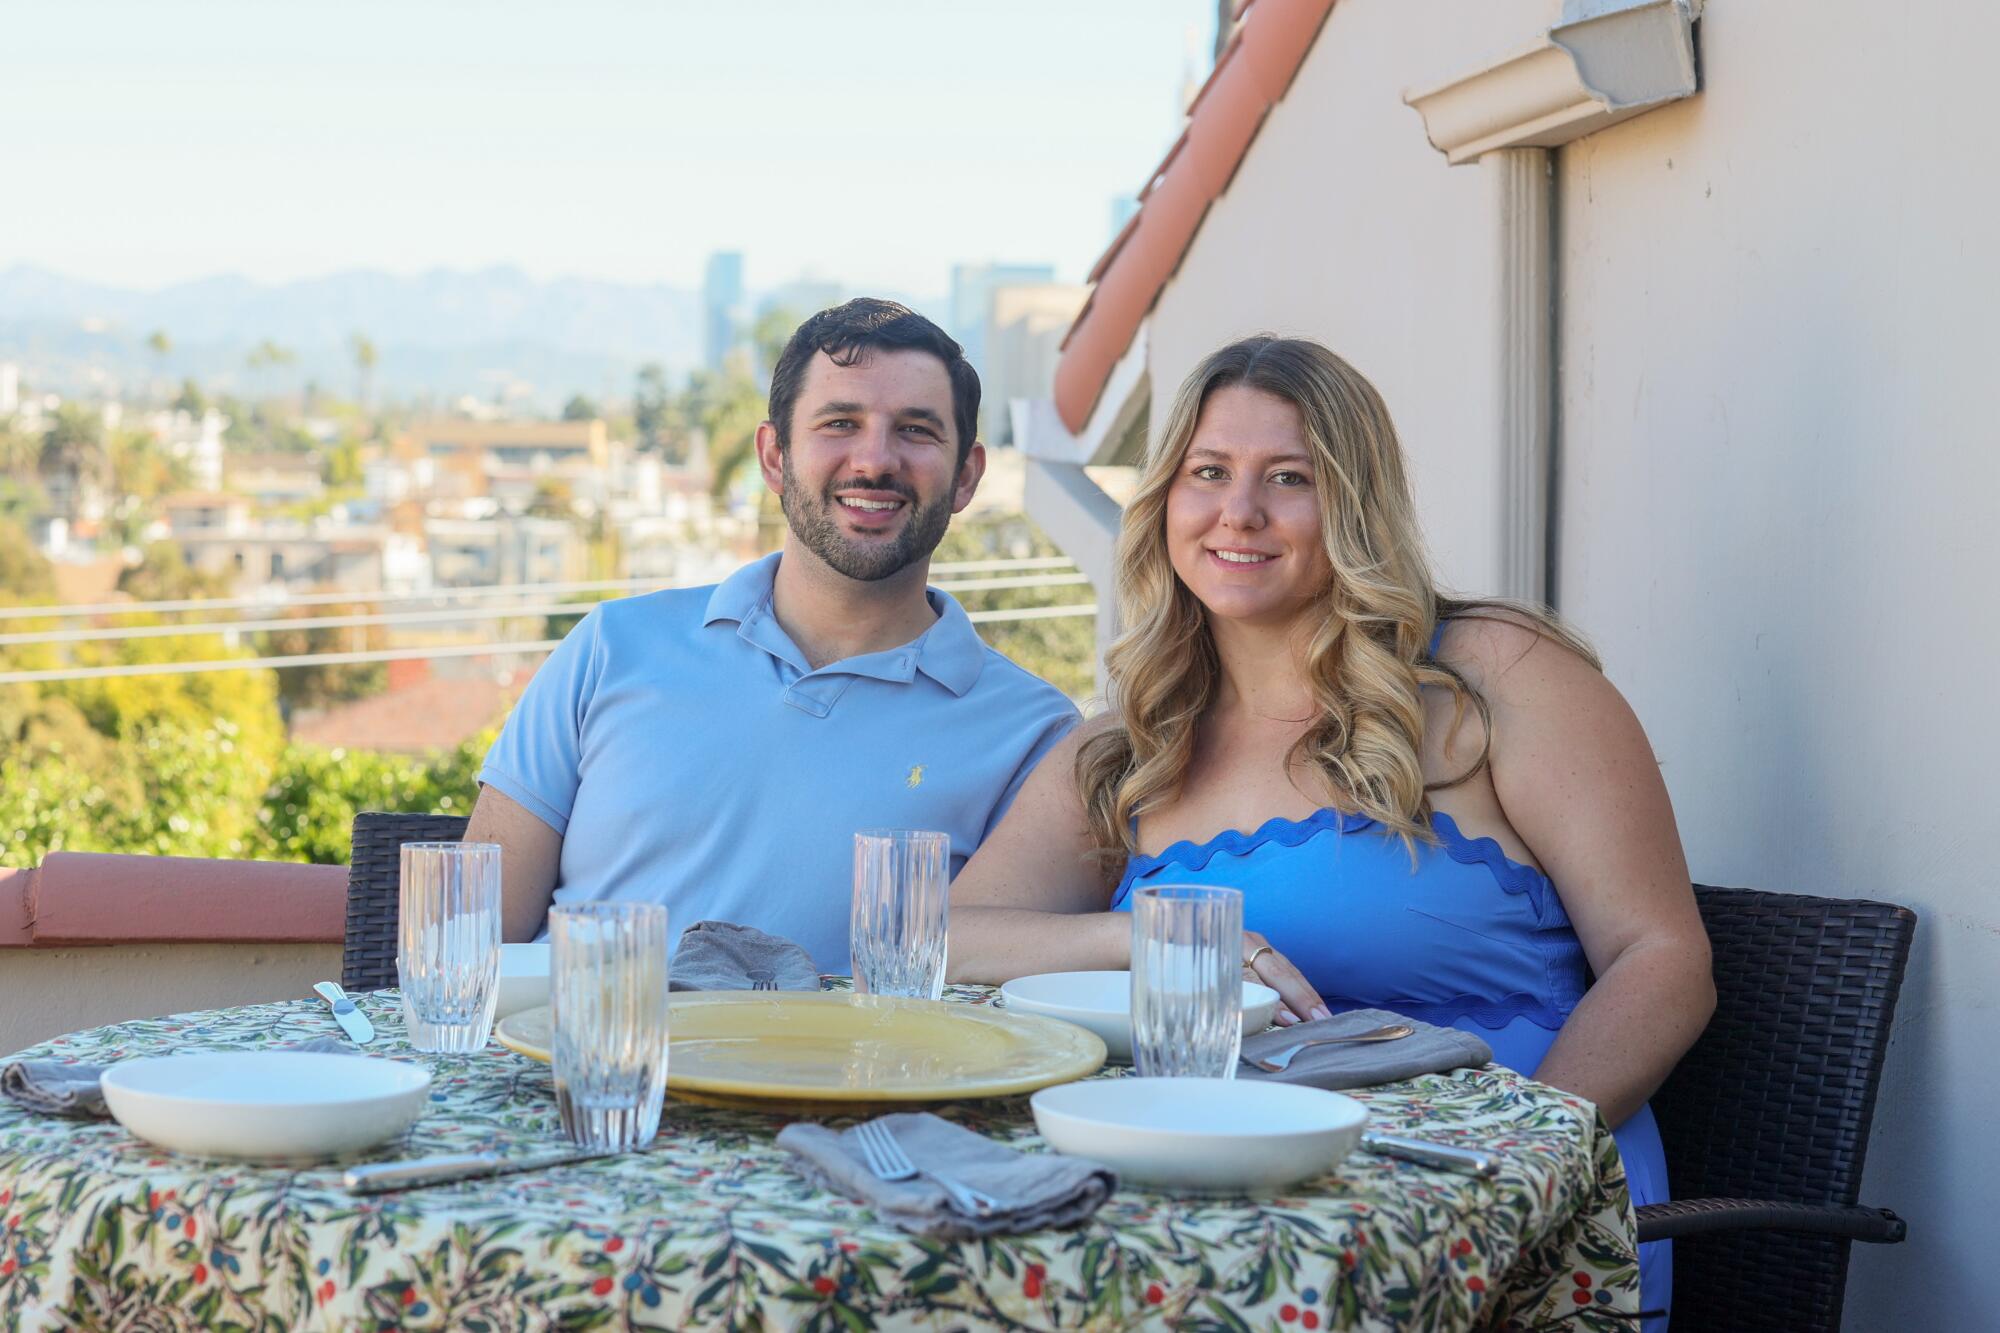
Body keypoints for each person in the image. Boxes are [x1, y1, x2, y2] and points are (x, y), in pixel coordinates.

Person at [947, 336, 1713, 1322]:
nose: (1239, 512)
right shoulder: (1129, 746)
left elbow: (1662, 958)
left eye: (1287, 479)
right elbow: (952, 940)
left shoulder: (1495, 680)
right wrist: (1138, 936)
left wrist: (1514, 1160)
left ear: (1354, 501)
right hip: (1235, 1224)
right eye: (1207, 473)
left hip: (1500, 1217)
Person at [467, 299, 1078, 967]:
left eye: (916, 430)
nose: (874, 459)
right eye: (839, 423)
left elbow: (1002, 996)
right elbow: (468, 943)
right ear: (774, 457)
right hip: (582, 1064)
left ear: (966, 476)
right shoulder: (611, 646)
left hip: (841, 1072)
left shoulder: (1036, 735)